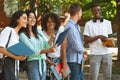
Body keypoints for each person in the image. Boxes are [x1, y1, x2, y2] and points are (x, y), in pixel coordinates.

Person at [19, 10, 56, 80]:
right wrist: (48, 50)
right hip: (32, 62)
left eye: (34, 17)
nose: (33, 19)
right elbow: (31, 50)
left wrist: (51, 38)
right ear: (26, 19)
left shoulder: (38, 31)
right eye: (30, 17)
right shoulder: (22, 35)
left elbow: (45, 44)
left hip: (42, 62)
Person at [83, 4, 112, 80]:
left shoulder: (108, 23)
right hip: (95, 54)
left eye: (98, 10)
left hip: (107, 53)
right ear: (92, 12)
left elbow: (109, 38)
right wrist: (99, 36)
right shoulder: (88, 24)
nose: (97, 12)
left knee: (108, 77)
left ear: (101, 11)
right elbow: (86, 40)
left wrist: (108, 43)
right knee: (93, 77)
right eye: (94, 11)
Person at [0, 11, 27, 80]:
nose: (26, 21)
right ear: (17, 19)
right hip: (7, 63)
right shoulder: (8, 30)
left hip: (14, 64)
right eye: (24, 18)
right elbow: (1, 48)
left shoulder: (17, 36)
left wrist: (22, 56)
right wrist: (17, 57)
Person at [41, 12, 67, 80]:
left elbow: (63, 52)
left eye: (53, 22)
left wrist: (64, 68)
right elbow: (40, 50)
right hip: (45, 61)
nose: (51, 24)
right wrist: (48, 60)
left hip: (57, 61)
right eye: (48, 22)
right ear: (45, 23)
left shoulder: (60, 33)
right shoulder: (42, 34)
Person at [64, 3, 87, 80]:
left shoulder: (75, 26)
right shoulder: (70, 27)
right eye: (81, 12)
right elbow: (76, 46)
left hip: (77, 59)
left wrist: (82, 52)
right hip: (73, 61)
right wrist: (84, 50)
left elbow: (79, 42)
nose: (81, 14)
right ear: (78, 13)